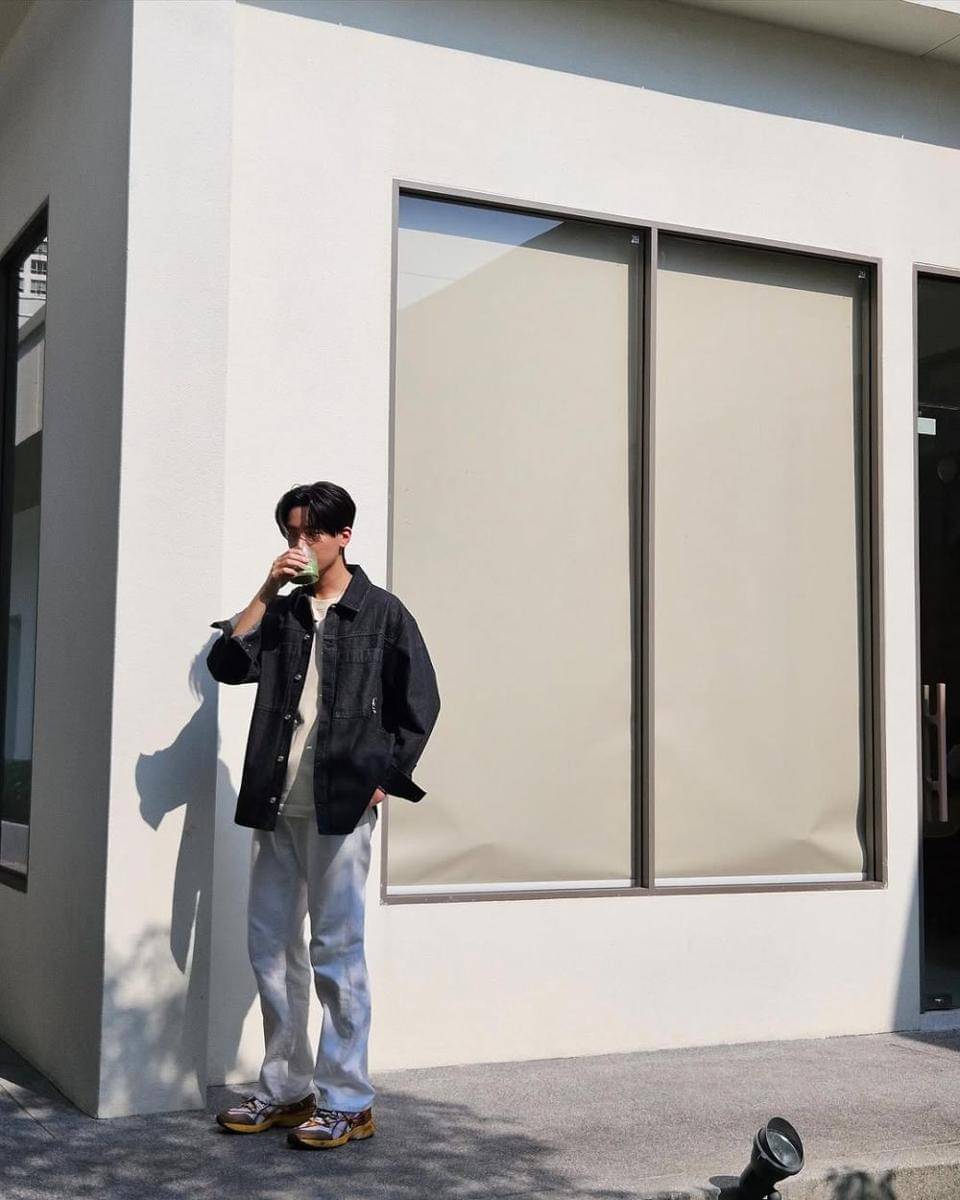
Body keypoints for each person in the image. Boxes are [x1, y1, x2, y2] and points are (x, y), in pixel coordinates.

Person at [206, 481, 441, 1150]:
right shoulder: (281, 613)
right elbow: (225, 664)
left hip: (341, 805)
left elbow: (420, 704)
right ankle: (287, 1090)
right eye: (290, 534)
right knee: (271, 951)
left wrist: (383, 781)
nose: (299, 545)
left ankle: (348, 1101)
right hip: (276, 803)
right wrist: (266, 587)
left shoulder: (382, 612)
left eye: (311, 533)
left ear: (343, 536)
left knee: (336, 952)